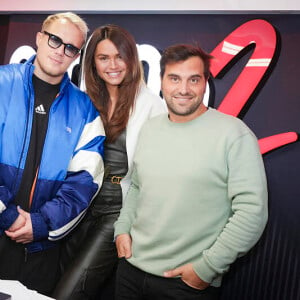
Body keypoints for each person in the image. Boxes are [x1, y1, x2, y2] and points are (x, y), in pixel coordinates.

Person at [114, 44, 268, 300]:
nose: (183, 89)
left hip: (185, 283)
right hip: (130, 271)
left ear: (205, 82)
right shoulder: (150, 128)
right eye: (174, 78)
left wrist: (207, 268)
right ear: (161, 81)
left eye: (193, 79)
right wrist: (122, 229)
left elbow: (252, 211)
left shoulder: (234, 134)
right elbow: (138, 187)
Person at [53, 24, 167, 300]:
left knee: (70, 293)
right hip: (76, 204)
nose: (113, 65)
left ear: (132, 59)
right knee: (50, 282)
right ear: (92, 62)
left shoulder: (153, 107)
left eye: (119, 56)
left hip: (116, 210)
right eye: (103, 58)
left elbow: (156, 176)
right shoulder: (83, 102)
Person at [0, 12, 105, 296]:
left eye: (70, 47)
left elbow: (85, 183)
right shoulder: (1, 83)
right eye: (55, 40)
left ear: (76, 56)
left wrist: (40, 224)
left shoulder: (86, 111)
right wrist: (8, 215)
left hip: (40, 252)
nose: (60, 51)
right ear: (39, 38)